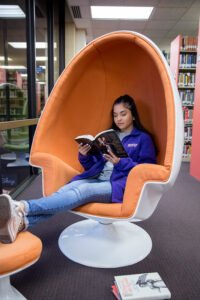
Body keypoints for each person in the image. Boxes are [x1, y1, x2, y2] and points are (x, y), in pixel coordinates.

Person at [0, 94, 157, 244]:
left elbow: (147, 170)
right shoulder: (110, 136)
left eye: (123, 114)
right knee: (67, 189)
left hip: (118, 184)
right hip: (98, 177)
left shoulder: (143, 139)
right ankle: (21, 222)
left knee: (81, 191)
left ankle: (22, 206)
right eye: (115, 115)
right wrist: (84, 155)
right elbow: (93, 165)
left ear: (133, 115)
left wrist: (120, 162)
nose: (119, 119)